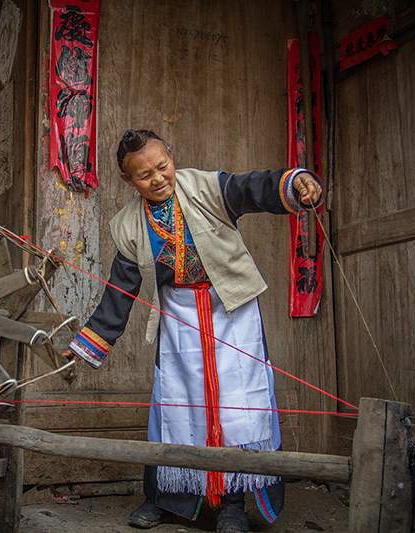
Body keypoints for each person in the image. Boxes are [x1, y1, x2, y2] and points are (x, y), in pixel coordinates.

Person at [64, 130, 323, 533]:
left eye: (162, 166)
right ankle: (169, 500)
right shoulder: (129, 225)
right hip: (179, 315)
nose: (157, 178)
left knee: (237, 407)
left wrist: (293, 182)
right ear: (127, 179)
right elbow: (119, 293)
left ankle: (233, 505)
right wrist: (88, 344)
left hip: (231, 310)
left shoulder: (208, 187)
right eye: (144, 174)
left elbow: (251, 187)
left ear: (173, 155)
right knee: (178, 407)